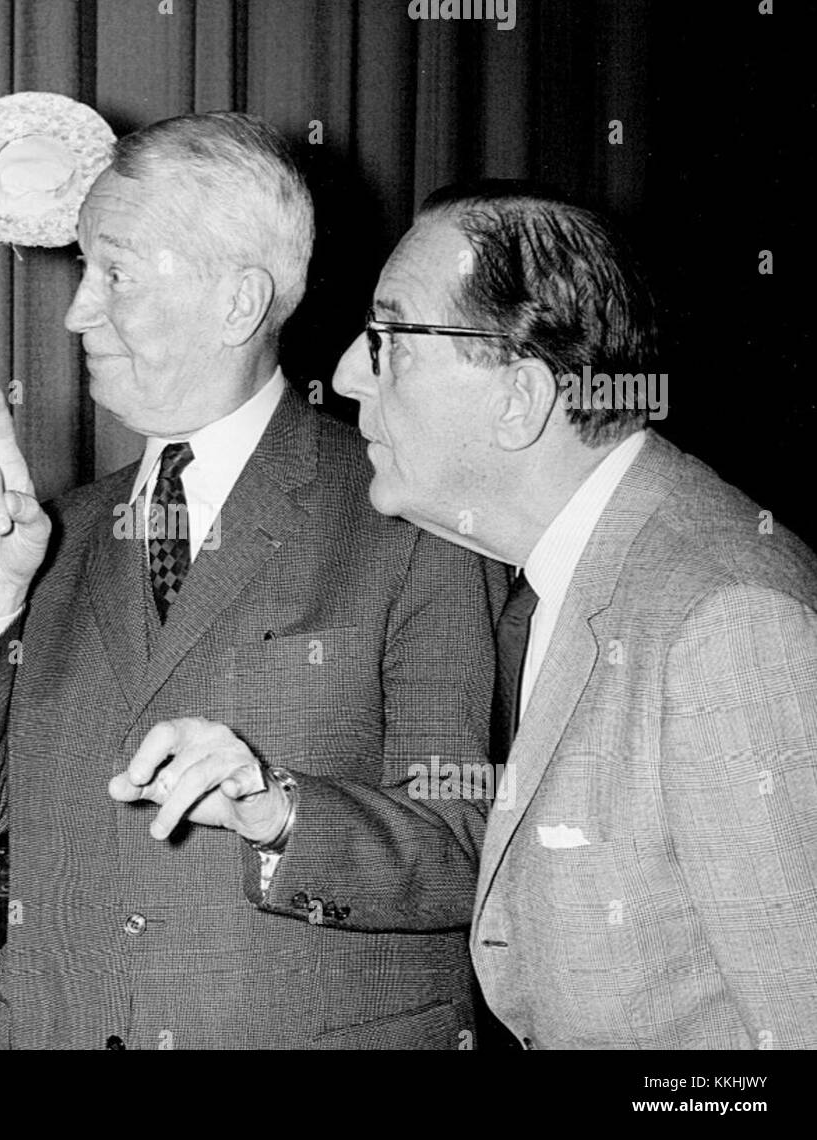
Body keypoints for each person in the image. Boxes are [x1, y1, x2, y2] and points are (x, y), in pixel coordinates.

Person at [0, 112, 506, 1049]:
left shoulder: (409, 524)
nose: (76, 310)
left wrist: (277, 806)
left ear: (237, 304)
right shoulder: (60, 536)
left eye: (116, 274)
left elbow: (463, 851)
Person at [331, 179, 817, 1048]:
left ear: (518, 399)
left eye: (390, 338)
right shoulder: (560, 584)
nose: (345, 376)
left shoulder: (726, 622)